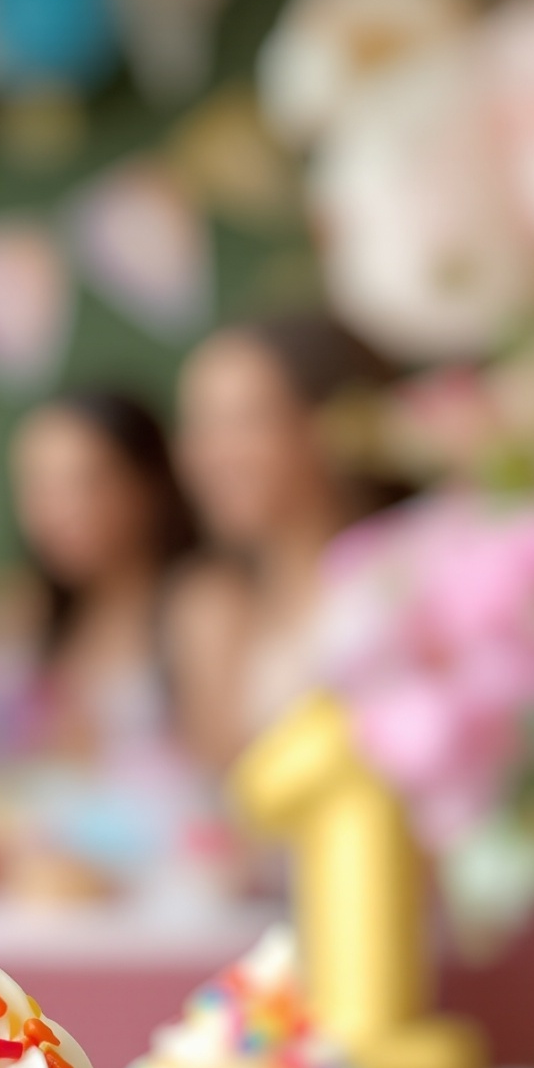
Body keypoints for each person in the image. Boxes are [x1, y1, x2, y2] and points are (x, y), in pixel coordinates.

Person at [168, 312, 395, 775]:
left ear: (330, 424)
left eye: (243, 422)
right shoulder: (219, 609)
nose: (211, 456)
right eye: (198, 427)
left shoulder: (397, 575)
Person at [8, 388, 194, 758]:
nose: (55, 512)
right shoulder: (34, 621)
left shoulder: (198, 608)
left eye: (84, 482)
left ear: (147, 484)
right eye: (38, 486)